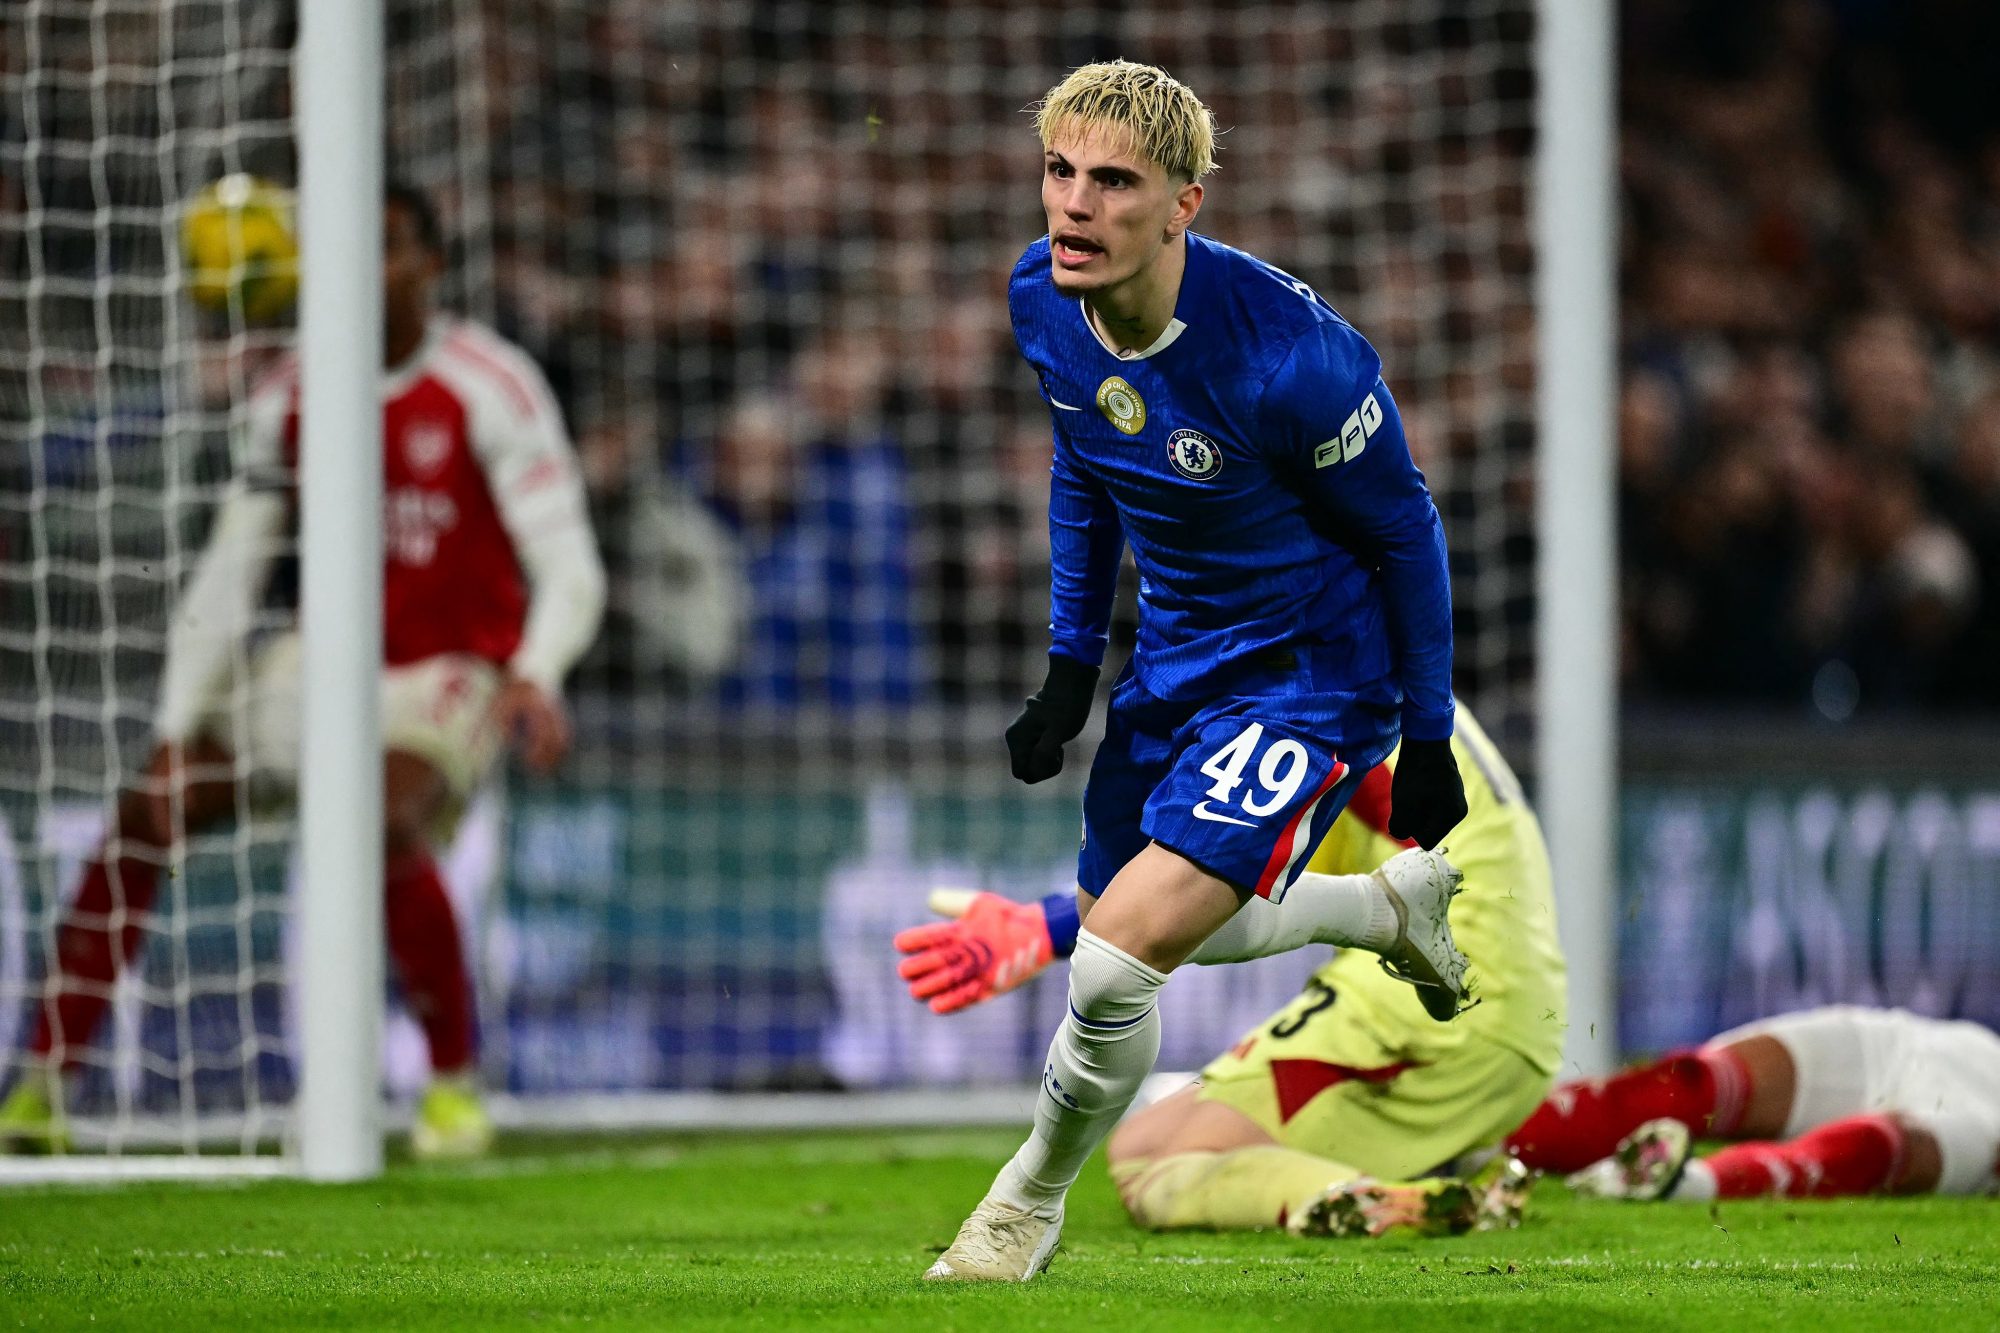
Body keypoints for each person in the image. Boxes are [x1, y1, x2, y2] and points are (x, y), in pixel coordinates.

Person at [925, 61, 1470, 1281]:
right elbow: (1087, 464)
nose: (1074, 206)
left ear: (1185, 205)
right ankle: (1384, 909)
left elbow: (1406, 531)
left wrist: (1423, 734)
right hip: (1176, 661)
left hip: (1315, 672)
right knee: (1130, 935)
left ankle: (1020, 1208)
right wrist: (1071, 670)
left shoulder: (1293, 362)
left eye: (1112, 182)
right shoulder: (1040, 297)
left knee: (1116, 954)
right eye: (1059, 173)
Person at [0, 183, 606, 1159]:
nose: (366, 268)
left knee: (378, 816)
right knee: (144, 814)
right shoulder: (293, 391)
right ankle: (39, 1090)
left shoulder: (489, 382)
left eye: (389, 247)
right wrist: (173, 727)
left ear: (430, 265)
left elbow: (569, 565)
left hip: (449, 673)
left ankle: (451, 1086)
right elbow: (228, 573)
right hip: (317, 664)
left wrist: (536, 670)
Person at [900, 703, 1564, 1238]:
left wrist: (1045, 928)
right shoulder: (1398, 679)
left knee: (1151, 1156)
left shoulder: (1320, 695)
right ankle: (1449, 1154)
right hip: (1509, 1006)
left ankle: (1359, 1200)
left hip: (1431, 1004)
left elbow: (1191, 892)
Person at [1516, 1007, 2000, 1203]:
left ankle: (1678, 1182)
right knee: (1693, 1085)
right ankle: (1477, 1136)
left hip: (1982, 1117)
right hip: (1908, 1040)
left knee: (1880, 1152)